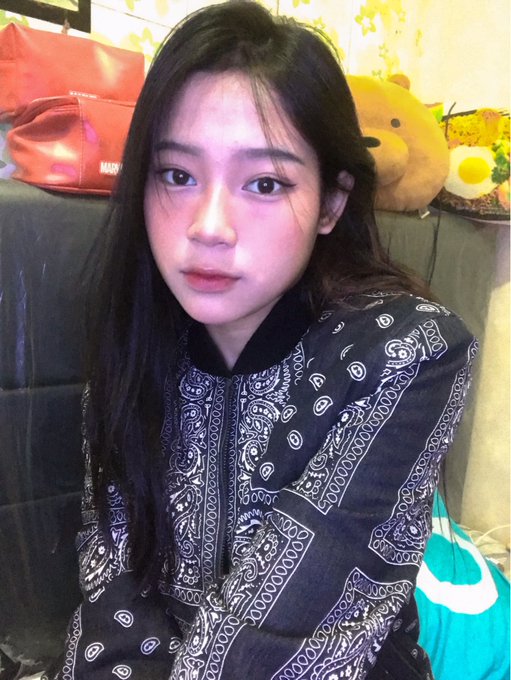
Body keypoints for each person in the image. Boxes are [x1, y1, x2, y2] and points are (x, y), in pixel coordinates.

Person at [46, 2, 478, 678]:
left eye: (266, 183)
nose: (209, 226)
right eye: (177, 175)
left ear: (331, 202)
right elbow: (113, 592)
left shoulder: (405, 350)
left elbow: (284, 634)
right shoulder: (138, 335)